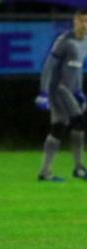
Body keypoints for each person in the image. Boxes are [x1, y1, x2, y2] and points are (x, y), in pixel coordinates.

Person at [35, 9, 87, 182]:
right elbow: (48, 66)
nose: (84, 25)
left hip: (70, 90)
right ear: (75, 22)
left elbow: (77, 69)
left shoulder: (85, 41)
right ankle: (79, 168)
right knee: (79, 122)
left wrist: (79, 90)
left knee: (58, 127)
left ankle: (45, 172)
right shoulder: (65, 41)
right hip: (58, 89)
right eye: (81, 21)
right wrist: (43, 92)